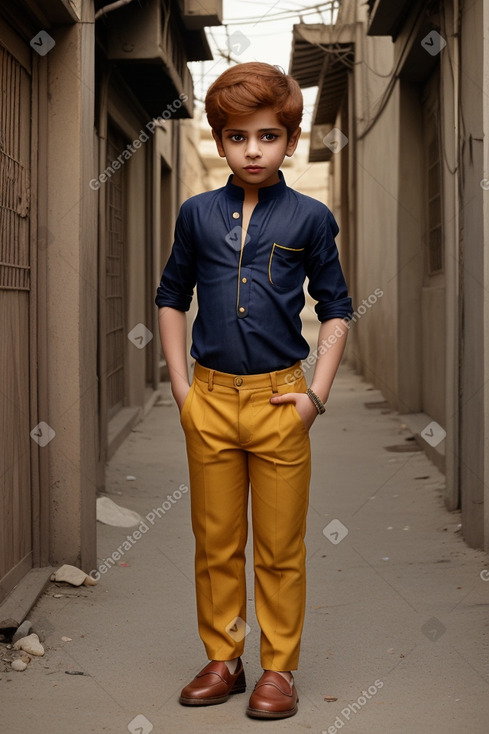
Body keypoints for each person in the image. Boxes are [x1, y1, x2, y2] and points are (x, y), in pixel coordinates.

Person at [155, 61, 353, 720]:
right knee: (215, 543)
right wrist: (183, 390)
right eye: (238, 137)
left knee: (278, 547)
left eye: (267, 136)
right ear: (219, 140)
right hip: (208, 400)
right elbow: (170, 298)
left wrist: (313, 397)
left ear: (289, 141)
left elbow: (335, 310)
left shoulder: (309, 218)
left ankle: (278, 670)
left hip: (279, 402)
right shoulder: (195, 215)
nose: (252, 150)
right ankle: (223, 659)